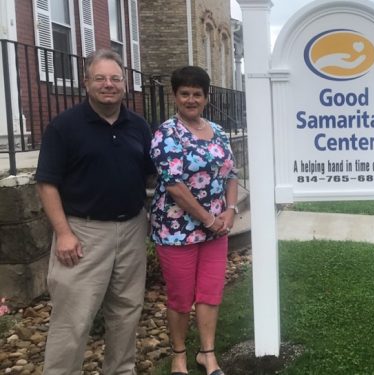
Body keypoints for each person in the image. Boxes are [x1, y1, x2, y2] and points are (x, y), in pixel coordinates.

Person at [36, 49, 154, 374]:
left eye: (115, 78)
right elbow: (46, 183)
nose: (108, 85)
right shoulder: (64, 127)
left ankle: (121, 370)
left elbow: (152, 173)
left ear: (124, 84)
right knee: (72, 319)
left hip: (131, 229)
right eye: (100, 78)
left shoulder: (138, 127)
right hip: (82, 234)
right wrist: (63, 233)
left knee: (127, 311)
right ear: (86, 82)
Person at [150, 66, 238, 375]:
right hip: (176, 230)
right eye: (184, 93)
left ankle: (207, 354)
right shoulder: (166, 133)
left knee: (210, 292)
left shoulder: (218, 131)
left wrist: (230, 210)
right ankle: (178, 355)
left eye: (197, 94)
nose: (191, 99)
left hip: (216, 229)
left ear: (206, 97)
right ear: (175, 96)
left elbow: (230, 173)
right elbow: (174, 185)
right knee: (180, 296)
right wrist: (208, 219)